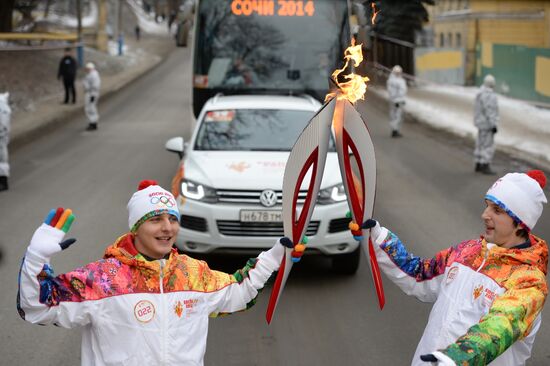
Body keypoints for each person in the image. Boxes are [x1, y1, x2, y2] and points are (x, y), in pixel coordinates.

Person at [18, 180, 298, 365]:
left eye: (172, 219)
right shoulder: (102, 279)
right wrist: (36, 258)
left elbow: (240, 293)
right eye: (155, 220)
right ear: (136, 227)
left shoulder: (192, 274)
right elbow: (37, 308)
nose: (167, 228)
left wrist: (273, 257)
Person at [351, 170, 547, 365]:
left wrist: (456, 358)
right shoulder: (467, 252)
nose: (485, 215)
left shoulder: (528, 282)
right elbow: (419, 274)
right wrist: (377, 237)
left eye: (497, 210)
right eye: (487, 206)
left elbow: (500, 326)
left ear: (520, 223)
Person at [474, 74, 499, 175]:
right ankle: (485, 164)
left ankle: (478, 163)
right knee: (487, 145)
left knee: (480, 143)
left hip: (480, 123)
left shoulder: (480, 93)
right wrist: (494, 125)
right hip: (487, 124)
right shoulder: (490, 96)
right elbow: (490, 111)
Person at [386, 65, 407, 138]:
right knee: (396, 116)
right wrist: (397, 100)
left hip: (395, 101)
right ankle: (395, 130)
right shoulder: (396, 81)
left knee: (395, 116)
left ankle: (395, 130)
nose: (398, 73)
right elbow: (396, 92)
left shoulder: (392, 80)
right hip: (397, 101)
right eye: (397, 72)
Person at [83, 62, 101, 131]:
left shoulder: (93, 75)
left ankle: (93, 123)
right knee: (89, 108)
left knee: (91, 108)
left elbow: (95, 86)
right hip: (90, 93)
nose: (86, 70)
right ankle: (92, 122)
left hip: (91, 94)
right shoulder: (90, 74)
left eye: (88, 68)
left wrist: (93, 95)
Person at [0, 92, 11, 191]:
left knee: (2, 159)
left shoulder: (1, 104)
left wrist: (2, 133)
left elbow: (4, 123)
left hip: (1, 137)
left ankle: (3, 182)